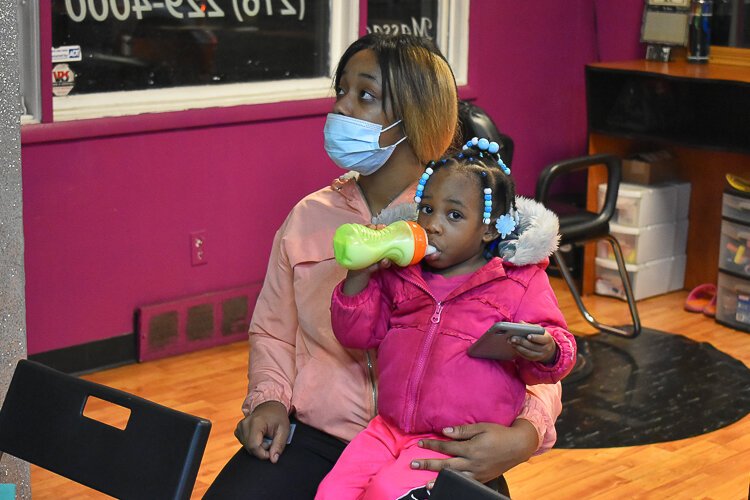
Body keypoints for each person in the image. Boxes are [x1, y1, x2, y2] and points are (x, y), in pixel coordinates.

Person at [204, 33, 564, 499]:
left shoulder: (474, 227)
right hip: (318, 437)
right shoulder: (308, 218)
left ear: (417, 115)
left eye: (365, 95)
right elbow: (273, 331)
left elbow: (538, 350)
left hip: (439, 446)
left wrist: (525, 434)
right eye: (341, 91)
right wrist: (268, 398)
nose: (341, 109)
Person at [316, 140, 576, 500]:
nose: (433, 225)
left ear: (487, 229)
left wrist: (547, 350)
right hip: (387, 428)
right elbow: (356, 334)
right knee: (331, 492)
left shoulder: (520, 282)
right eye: (426, 208)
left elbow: (557, 350)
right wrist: (358, 277)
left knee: (386, 493)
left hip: (451, 440)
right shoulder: (402, 274)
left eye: (454, 215)